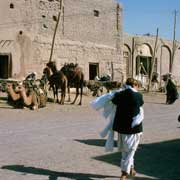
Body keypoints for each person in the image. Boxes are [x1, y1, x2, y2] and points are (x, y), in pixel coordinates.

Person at [111, 78, 144, 180]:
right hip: (134, 128)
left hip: (122, 128)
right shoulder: (138, 95)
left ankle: (131, 169)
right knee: (131, 151)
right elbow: (141, 104)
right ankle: (124, 173)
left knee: (125, 151)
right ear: (135, 85)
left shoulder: (120, 95)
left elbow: (113, 100)